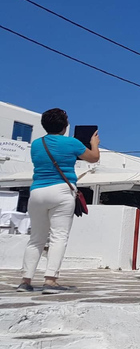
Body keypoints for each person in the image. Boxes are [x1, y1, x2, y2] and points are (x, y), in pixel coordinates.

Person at [17, 108, 100, 294]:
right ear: (65, 125)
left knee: (35, 238)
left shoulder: (37, 144)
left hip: (37, 191)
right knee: (58, 236)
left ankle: (25, 280)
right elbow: (94, 158)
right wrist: (94, 143)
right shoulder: (72, 143)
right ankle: (50, 280)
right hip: (62, 191)